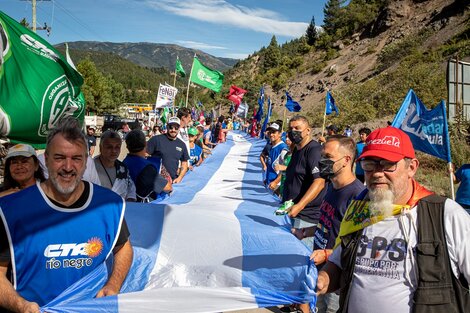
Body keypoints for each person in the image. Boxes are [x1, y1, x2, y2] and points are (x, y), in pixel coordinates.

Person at [317, 126, 470, 313]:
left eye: (388, 164)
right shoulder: (359, 209)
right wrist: (322, 280)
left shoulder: (446, 215)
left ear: (411, 167)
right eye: (369, 164)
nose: (377, 173)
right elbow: (339, 263)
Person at [0, 116, 133, 312]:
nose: (68, 167)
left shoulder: (109, 204)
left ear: (86, 161)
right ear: (45, 159)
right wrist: (20, 305)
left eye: (76, 158)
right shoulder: (10, 209)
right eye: (59, 157)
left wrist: (113, 284)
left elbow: (124, 248)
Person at [292, 135, 366, 313]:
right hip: (319, 270)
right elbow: (328, 224)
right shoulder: (331, 187)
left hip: (336, 280)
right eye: (322, 156)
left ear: (346, 160)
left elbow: (360, 248)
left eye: (328, 157)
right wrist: (304, 232)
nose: (322, 162)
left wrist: (327, 254)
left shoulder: (359, 197)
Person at [283, 115, 327, 248]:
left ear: (308, 130)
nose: (293, 132)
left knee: (298, 255)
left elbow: (319, 182)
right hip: (292, 211)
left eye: (297, 128)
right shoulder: (297, 149)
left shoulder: (314, 150)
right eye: (291, 129)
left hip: (305, 217)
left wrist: (300, 205)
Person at [123, 129, 172, 202]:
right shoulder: (147, 167)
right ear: (145, 144)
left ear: (127, 147)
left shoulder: (123, 163)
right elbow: (168, 187)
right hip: (142, 208)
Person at [94, 130, 136, 201]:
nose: (114, 151)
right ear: (101, 147)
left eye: (117, 147)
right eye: (109, 147)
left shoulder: (123, 168)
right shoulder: (90, 166)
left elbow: (131, 190)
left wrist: (129, 202)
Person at [146, 116, 189, 184]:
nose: (173, 130)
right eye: (171, 127)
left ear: (179, 128)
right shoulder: (156, 140)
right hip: (155, 180)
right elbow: (144, 156)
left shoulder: (182, 144)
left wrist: (179, 178)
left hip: (172, 181)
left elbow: (184, 163)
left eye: (176, 127)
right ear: (167, 126)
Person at [265, 122, 289, 192]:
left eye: (274, 132)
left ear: (280, 134)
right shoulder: (272, 146)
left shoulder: (283, 149)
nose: (271, 134)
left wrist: (275, 182)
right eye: (270, 132)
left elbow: (287, 169)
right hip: (270, 183)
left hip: (277, 187)